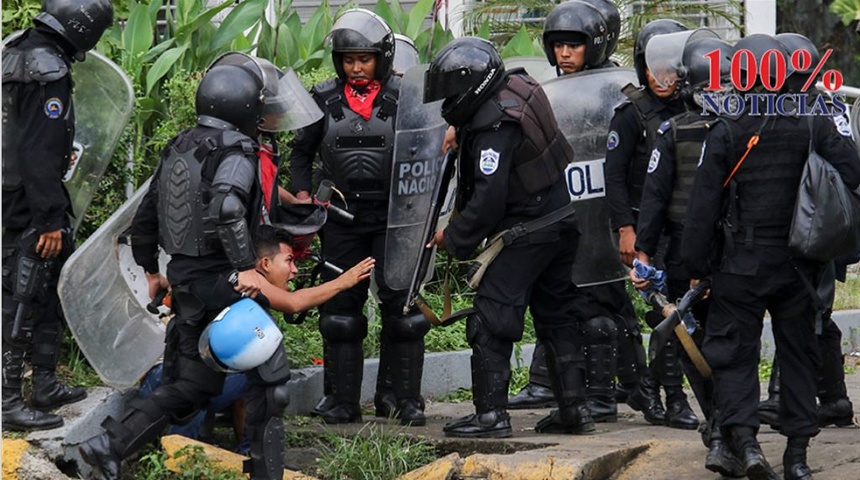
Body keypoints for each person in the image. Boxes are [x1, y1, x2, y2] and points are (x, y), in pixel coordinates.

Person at [78, 53, 304, 480]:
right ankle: (264, 470)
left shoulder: (179, 145)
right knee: (272, 375)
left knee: (188, 387)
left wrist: (151, 270)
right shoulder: (238, 149)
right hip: (222, 280)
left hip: (185, 279)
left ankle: (108, 444)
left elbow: (145, 217)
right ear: (246, 107)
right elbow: (229, 205)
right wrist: (245, 269)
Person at [681, 34, 860, 480]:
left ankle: (747, 445)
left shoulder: (725, 126)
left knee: (735, 355)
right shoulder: (814, 120)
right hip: (800, 262)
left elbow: (702, 206)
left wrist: (695, 266)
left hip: (741, 263)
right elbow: (853, 171)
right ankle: (797, 457)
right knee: (797, 354)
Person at [425, 37, 593, 438]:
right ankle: (575, 410)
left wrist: (455, 236)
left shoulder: (494, 128)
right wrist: (458, 129)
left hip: (527, 233)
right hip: (559, 220)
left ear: (472, 86)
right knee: (558, 318)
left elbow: (488, 199)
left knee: (490, 319)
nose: (450, 100)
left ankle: (491, 417)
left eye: (453, 92)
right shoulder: (517, 86)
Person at [288, 8, 430, 426]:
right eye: (348, 60)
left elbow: (428, 150)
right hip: (341, 218)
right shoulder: (322, 98)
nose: (356, 68)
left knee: (402, 310)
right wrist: (302, 196)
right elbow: (301, 151)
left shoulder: (407, 96)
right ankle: (341, 401)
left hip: (394, 219)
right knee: (340, 313)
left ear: (382, 58)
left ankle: (403, 400)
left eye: (364, 59)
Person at [508, 0, 646, 426]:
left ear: (596, 45)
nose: (565, 54)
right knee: (561, 295)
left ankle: (634, 384)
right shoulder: (548, 91)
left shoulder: (618, 90)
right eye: (558, 46)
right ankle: (550, 380)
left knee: (606, 298)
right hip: (566, 207)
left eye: (575, 45)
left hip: (606, 208)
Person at [137, 224, 374, 449]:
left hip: (173, 381)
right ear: (265, 263)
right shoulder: (246, 278)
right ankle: (183, 452)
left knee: (252, 364)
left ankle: (244, 452)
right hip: (165, 380)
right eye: (289, 261)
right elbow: (294, 302)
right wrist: (344, 282)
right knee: (262, 373)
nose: (294, 271)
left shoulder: (228, 277)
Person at [629, 31, 739, 476]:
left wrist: (644, 253)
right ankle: (727, 427)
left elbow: (654, 198)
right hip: (734, 254)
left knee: (692, 340)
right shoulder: (745, 128)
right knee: (729, 343)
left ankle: (718, 423)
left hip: (683, 253)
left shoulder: (674, 130)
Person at [1, 0, 113, 432]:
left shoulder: (16, 52)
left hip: (15, 192)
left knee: (47, 286)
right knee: (23, 294)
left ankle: (45, 383)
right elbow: (37, 149)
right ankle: (9, 399)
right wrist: (48, 218)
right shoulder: (48, 70)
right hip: (31, 203)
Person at [755, 33, 856, 432]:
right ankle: (834, 399)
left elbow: (847, 165)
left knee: (804, 310)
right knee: (816, 310)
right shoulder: (818, 107)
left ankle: (784, 397)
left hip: (817, 224)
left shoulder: (820, 110)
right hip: (816, 223)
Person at [603, 18, 698, 430]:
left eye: (671, 68)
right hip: (645, 231)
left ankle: (655, 388)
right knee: (664, 312)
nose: (662, 78)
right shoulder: (630, 114)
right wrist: (626, 230)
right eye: (654, 68)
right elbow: (614, 178)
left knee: (680, 313)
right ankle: (672, 398)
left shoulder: (696, 108)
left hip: (685, 229)